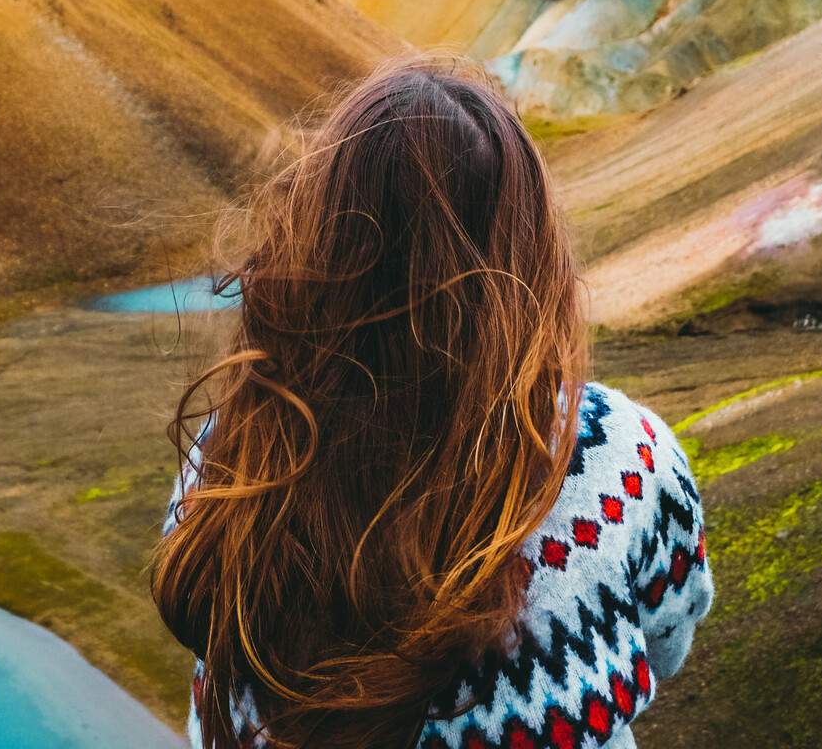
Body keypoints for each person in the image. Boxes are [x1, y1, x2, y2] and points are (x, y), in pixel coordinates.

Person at [152, 57, 712, 748]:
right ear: (530, 251)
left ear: (320, 236)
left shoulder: (236, 447)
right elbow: (669, 633)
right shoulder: (621, 454)